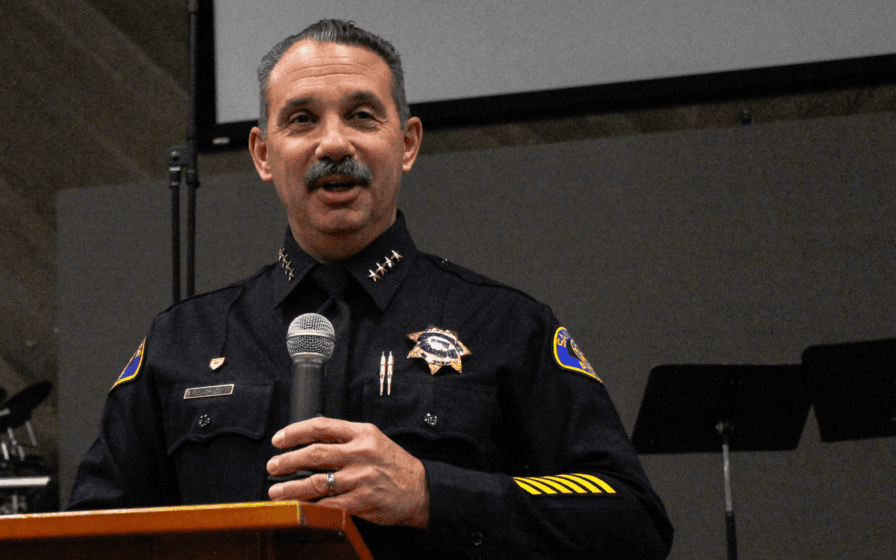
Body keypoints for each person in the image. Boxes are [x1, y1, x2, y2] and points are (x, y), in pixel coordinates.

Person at [68, 19, 673, 559]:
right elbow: (89, 535)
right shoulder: (182, 340)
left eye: (362, 115)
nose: (334, 144)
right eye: (302, 119)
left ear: (406, 143)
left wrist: (431, 493)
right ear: (262, 153)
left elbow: (631, 520)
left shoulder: (506, 326)